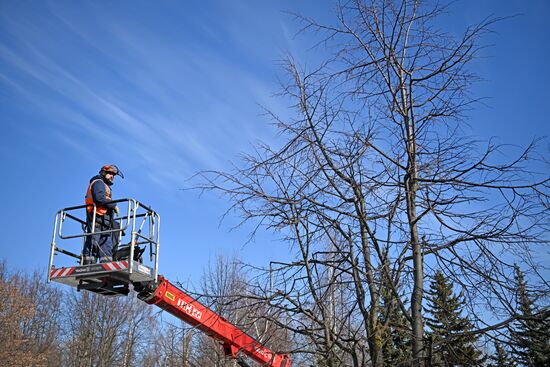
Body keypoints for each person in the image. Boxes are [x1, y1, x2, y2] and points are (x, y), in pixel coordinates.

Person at [82, 164, 124, 264]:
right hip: (96, 220)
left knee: (107, 247)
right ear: (103, 173)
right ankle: (88, 266)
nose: (112, 176)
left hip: (105, 222)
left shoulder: (105, 186)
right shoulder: (98, 182)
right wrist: (113, 205)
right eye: (110, 173)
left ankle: (106, 267)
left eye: (113, 175)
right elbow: (99, 198)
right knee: (93, 244)